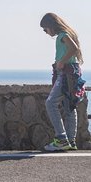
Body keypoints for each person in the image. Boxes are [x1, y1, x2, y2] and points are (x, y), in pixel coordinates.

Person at [40, 12, 85, 152]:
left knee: (50, 102)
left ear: (50, 25)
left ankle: (61, 139)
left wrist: (61, 62)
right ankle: (70, 141)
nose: (45, 32)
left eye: (45, 29)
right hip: (73, 73)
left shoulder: (62, 35)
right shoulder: (68, 33)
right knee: (69, 106)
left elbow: (74, 49)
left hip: (65, 73)